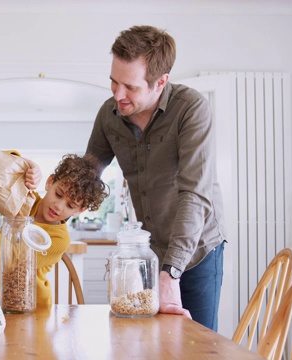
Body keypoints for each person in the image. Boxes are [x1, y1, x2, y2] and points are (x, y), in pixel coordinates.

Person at [85, 25, 227, 331]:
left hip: (199, 251)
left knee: (197, 346)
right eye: (113, 82)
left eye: (130, 87)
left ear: (160, 82)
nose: (117, 95)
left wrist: (171, 271)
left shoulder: (191, 109)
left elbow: (194, 194)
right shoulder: (109, 115)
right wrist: (44, 185)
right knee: (151, 341)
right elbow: (86, 175)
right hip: (151, 253)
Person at [0, 153, 109, 307]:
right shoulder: (25, 200)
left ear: (80, 210)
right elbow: (0, 165)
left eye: (70, 205)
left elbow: (10, 265)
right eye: (58, 194)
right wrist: (29, 165)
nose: (59, 206)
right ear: (50, 182)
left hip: (29, 308)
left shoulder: (59, 239)